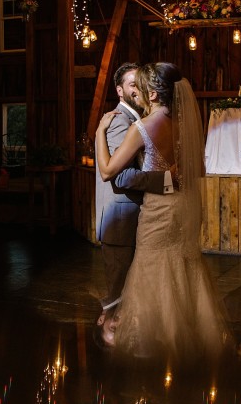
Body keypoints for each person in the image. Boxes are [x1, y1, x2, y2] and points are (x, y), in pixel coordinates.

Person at [95, 62, 230, 364]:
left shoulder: (143, 126)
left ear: (153, 94)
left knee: (152, 268)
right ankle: (189, 332)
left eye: (142, 88)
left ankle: (158, 339)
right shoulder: (180, 123)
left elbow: (107, 171)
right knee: (182, 264)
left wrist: (98, 134)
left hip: (158, 208)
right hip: (180, 205)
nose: (139, 93)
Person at [94, 63, 175, 334]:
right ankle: (111, 342)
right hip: (121, 215)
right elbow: (120, 176)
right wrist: (166, 180)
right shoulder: (119, 120)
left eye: (140, 84)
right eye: (132, 84)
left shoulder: (140, 120)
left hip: (136, 213)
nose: (137, 89)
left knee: (128, 284)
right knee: (117, 291)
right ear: (120, 90)